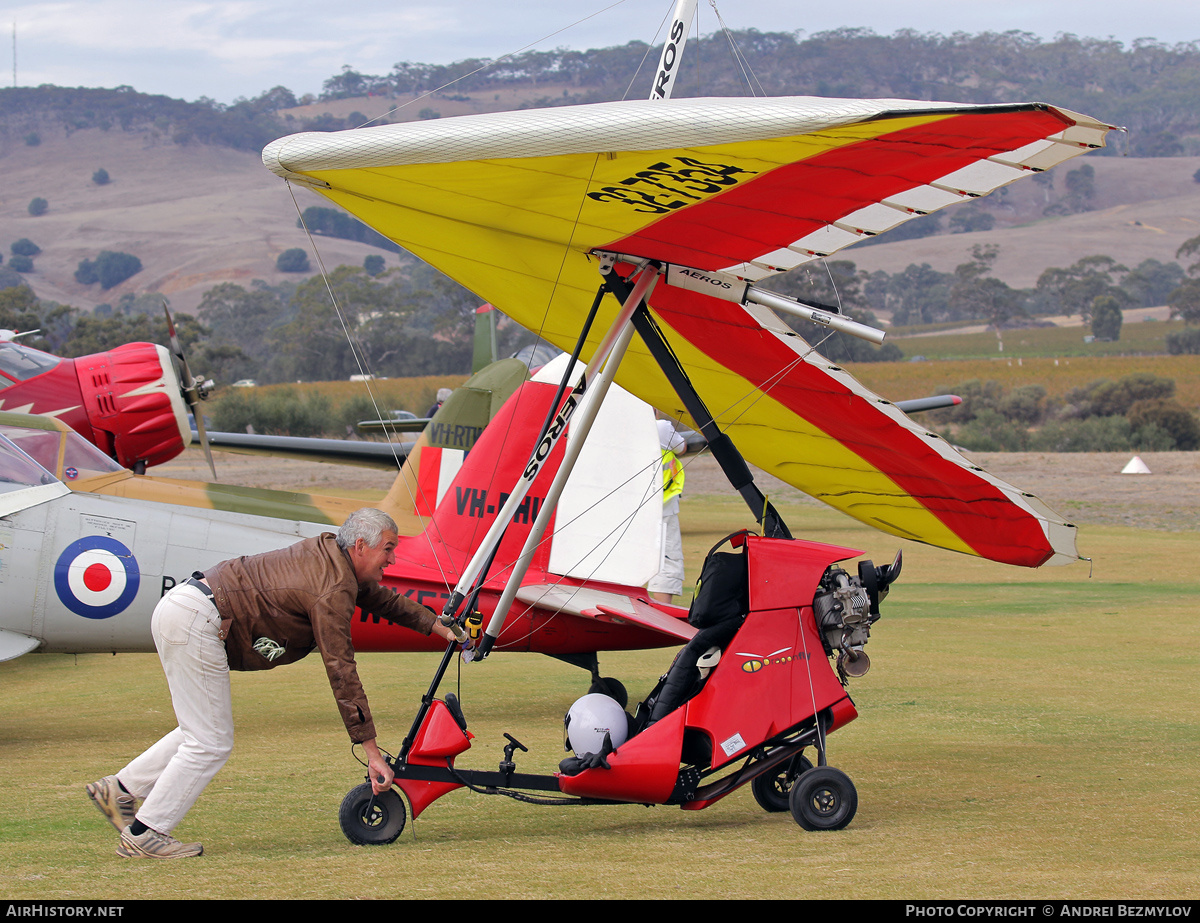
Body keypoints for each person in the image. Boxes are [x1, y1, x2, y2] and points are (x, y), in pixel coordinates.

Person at [86, 507, 460, 859]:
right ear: (360, 546)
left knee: (199, 731)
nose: (392, 559)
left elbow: (380, 600)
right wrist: (372, 750)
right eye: (389, 549)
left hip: (184, 608)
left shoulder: (333, 555)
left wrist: (436, 625)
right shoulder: (331, 585)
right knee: (211, 742)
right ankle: (145, 833)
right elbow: (341, 668)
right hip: (199, 621)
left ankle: (119, 790)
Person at [648, 419, 687, 603]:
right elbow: (682, 447)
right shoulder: (661, 427)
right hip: (663, 508)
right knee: (667, 561)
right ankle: (662, 611)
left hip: (625, 505)